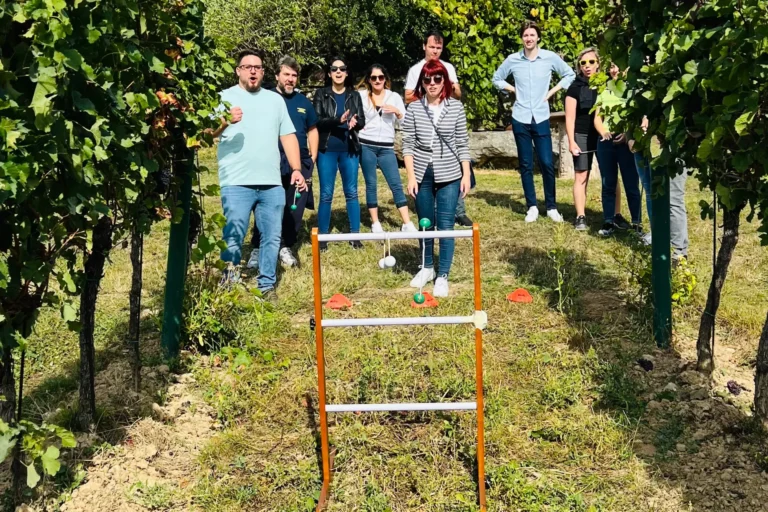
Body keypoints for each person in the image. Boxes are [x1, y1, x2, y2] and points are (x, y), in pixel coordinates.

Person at [211, 50, 307, 301]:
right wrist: (224, 121)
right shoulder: (223, 97)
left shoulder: (274, 101)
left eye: (258, 67)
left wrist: (297, 169)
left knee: (272, 236)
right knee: (233, 235)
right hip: (236, 181)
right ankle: (229, 283)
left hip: (271, 182)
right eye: (247, 66)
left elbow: (288, 135)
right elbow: (206, 133)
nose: (253, 71)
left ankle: (266, 285)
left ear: (263, 72)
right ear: (238, 71)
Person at [492, 21, 576, 223]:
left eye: (532, 35)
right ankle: (532, 206)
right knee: (526, 164)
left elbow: (569, 74)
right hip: (520, 117)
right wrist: (512, 90)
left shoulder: (549, 58)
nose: (528, 38)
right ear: (522, 38)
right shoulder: (513, 60)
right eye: (525, 35)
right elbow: (497, 79)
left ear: (538, 37)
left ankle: (552, 207)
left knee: (547, 162)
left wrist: (552, 91)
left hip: (541, 116)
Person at [402, 60, 472, 298]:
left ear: (445, 81)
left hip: (450, 173)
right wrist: (410, 176)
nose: (432, 84)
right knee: (425, 223)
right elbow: (408, 144)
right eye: (427, 80)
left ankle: (443, 275)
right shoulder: (414, 108)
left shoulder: (456, 107)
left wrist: (465, 174)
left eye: (437, 79)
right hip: (422, 172)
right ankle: (427, 267)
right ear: (421, 82)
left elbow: (462, 143)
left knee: (445, 225)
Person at [247, 56, 318, 269]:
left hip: (300, 161)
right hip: (271, 159)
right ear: (277, 75)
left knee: (294, 207)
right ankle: (258, 247)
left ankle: (285, 246)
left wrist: (312, 157)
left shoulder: (303, 102)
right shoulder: (265, 97)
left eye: (294, 76)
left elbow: (313, 129)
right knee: (265, 204)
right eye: (286, 74)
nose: (290, 79)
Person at [405, 30, 473, 227]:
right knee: (426, 222)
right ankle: (425, 257)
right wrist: (428, 97)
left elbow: (457, 93)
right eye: (432, 46)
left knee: (446, 222)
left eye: (438, 47)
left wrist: (451, 90)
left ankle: (458, 212)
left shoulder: (449, 67)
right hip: (423, 161)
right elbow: (409, 96)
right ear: (424, 46)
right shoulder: (415, 70)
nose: (435, 50)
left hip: (448, 159)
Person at [313, 56, 366, 251]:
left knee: (351, 192)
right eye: (334, 69)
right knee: (326, 193)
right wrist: (338, 120)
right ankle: (323, 238)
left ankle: (355, 236)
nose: (338, 72)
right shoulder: (321, 94)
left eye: (342, 69)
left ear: (346, 72)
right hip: (327, 149)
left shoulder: (354, 95)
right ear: (329, 73)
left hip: (349, 149)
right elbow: (317, 121)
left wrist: (355, 122)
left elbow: (362, 120)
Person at [356, 64, 417, 233]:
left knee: (396, 183)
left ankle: (406, 223)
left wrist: (398, 112)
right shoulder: (361, 96)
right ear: (369, 80)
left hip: (386, 147)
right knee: (371, 184)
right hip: (366, 145)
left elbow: (405, 123)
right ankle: (375, 223)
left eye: (380, 77)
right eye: (374, 78)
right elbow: (355, 118)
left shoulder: (394, 96)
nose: (377, 81)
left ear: (385, 79)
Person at [630, 117, 690, 258]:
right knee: (652, 195)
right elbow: (629, 113)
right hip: (642, 148)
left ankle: (678, 253)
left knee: (673, 199)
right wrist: (629, 138)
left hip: (672, 147)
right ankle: (660, 243)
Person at [593, 89, 643, 236]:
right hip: (606, 140)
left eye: (617, 66)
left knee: (631, 183)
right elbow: (597, 117)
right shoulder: (604, 90)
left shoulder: (631, 89)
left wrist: (627, 134)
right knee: (608, 182)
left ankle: (636, 223)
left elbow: (635, 117)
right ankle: (609, 221)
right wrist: (603, 132)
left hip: (626, 141)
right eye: (611, 66)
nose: (614, 70)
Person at [565, 48, 599, 231]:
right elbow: (569, 118)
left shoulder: (606, 85)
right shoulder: (574, 88)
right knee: (581, 175)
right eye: (583, 63)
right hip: (582, 134)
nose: (587, 66)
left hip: (603, 135)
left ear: (598, 64)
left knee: (610, 178)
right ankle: (580, 216)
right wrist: (572, 141)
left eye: (591, 62)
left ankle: (614, 215)